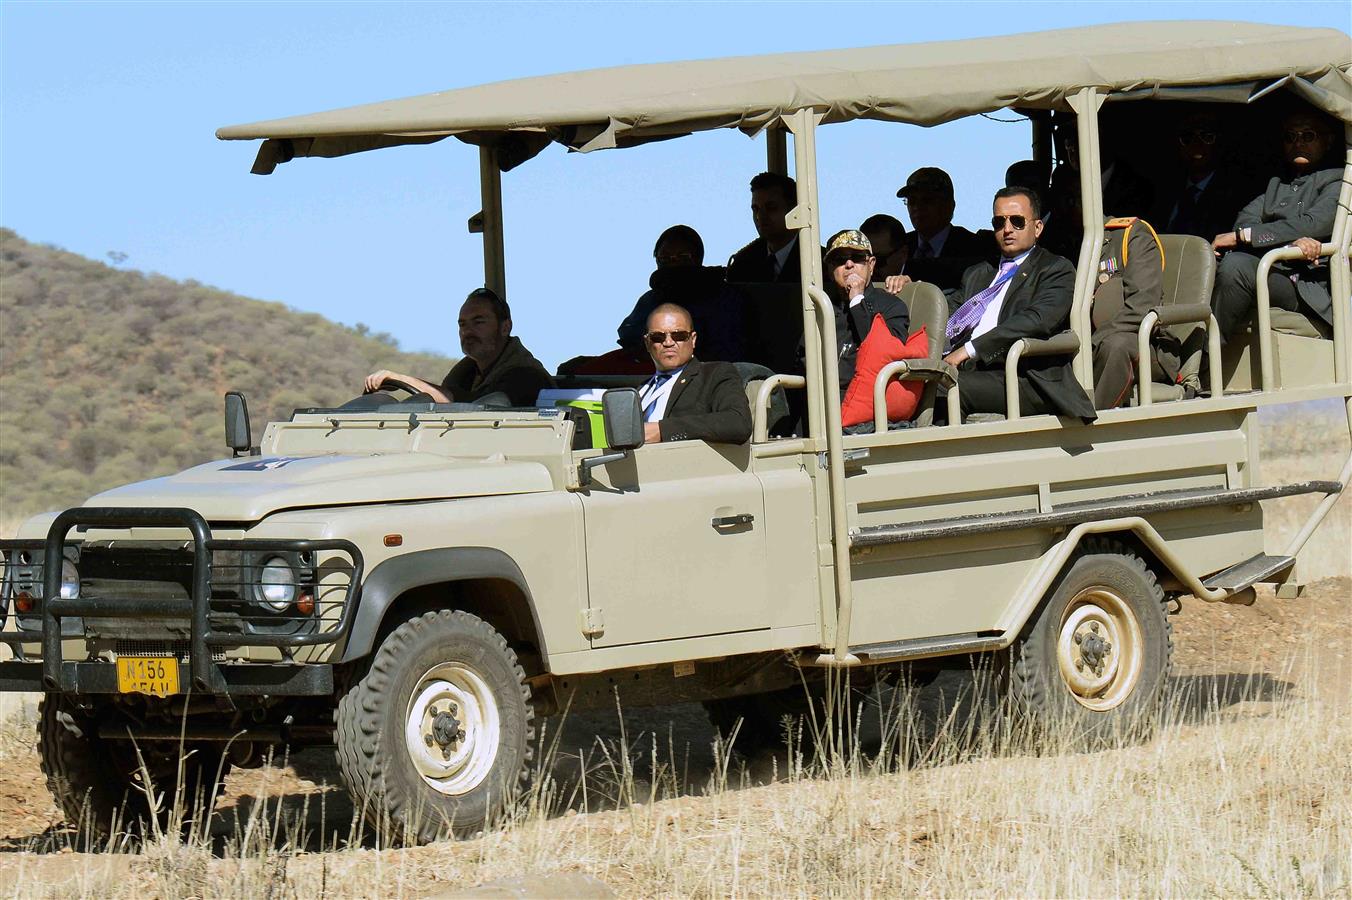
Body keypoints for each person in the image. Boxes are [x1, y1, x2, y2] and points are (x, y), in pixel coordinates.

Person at [944, 187, 1096, 421]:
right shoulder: (979, 273)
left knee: (947, 386)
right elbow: (947, 315)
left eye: (1017, 221)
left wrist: (970, 350)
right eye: (999, 222)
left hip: (1025, 375)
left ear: (1037, 228)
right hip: (975, 371)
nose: (1007, 229)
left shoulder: (1055, 269)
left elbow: (1036, 320)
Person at [1210, 110, 1342, 341]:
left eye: (1308, 135)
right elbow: (1244, 220)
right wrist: (1291, 243)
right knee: (1210, 264)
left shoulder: (1339, 179)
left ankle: (1206, 358)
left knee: (1236, 266)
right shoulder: (1276, 184)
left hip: (1308, 283)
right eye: (1290, 137)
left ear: (1327, 140)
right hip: (1276, 270)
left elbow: (1312, 224)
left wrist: (1244, 237)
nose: (1298, 142)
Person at [363, 287, 553, 407]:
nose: (467, 331)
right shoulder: (469, 369)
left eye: (478, 322)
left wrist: (403, 379)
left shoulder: (525, 375)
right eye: (463, 324)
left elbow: (467, 407)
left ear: (505, 327)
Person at [615, 225, 745, 362]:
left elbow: (728, 350)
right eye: (664, 259)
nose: (673, 264)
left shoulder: (724, 298)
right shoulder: (650, 300)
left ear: (698, 259)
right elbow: (630, 338)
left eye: (682, 257)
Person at [1089, 215, 1176, 409]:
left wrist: (1090, 345)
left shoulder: (1130, 234)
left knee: (1115, 347)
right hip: (1087, 344)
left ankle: (1093, 430)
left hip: (1144, 343)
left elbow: (1142, 307)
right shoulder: (1056, 241)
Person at [638, 303, 752, 444]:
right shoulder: (640, 389)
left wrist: (663, 431)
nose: (668, 342)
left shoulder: (714, 374)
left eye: (678, 335)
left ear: (693, 340)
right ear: (647, 343)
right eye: (657, 337)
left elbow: (738, 423)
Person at [821, 229, 911, 395]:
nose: (849, 264)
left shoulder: (891, 306)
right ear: (830, 270)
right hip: (820, 399)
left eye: (857, 258)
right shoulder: (823, 309)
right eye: (840, 260)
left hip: (868, 402)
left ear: (871, 265)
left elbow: (883, 354)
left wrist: (857, 301)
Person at [1150, 110, 1255, 241]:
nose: (1196, 144)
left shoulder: (1235, 195)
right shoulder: (1165, 189)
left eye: (1206, 137)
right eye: (1187, 138)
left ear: (1220, 143)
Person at [895, 167, 993, 292]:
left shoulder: (973, 248)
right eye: (912, 201)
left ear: (949, 205)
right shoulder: (899, 247)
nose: (917, 207)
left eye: (927, 200)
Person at [726, 172, 805, 283]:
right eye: (756, 209)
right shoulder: (743, 264)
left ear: (793, 210)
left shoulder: (818, 262)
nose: (760, 216)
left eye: (771, 208)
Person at [860, 213, 909, 279]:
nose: (871, 269)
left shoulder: (923, 279)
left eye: (879, 260)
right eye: (863, 260)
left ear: (903, 254)